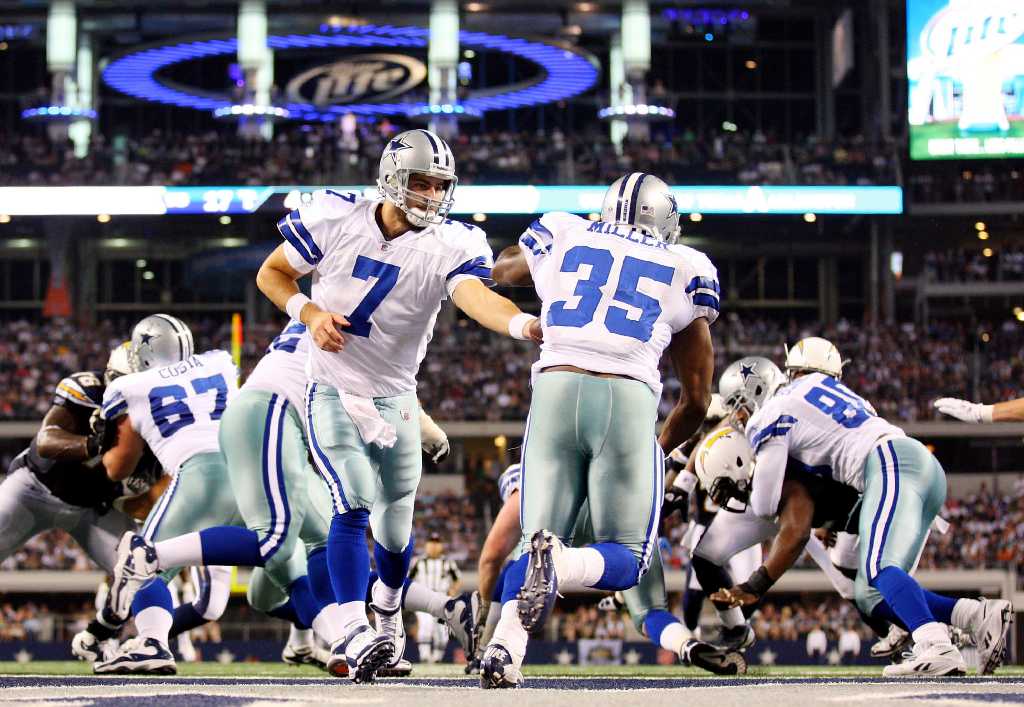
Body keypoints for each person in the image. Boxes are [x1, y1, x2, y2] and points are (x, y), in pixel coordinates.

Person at [255, 128, 542, 683]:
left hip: (398, 398)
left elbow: (473, 295)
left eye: (441, 185)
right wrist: (309, 314)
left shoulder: (453, 243)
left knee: (395, 528)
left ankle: (387, 612)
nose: (432, 195)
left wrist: (523, 323)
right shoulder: (337, 217)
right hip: (333, 388)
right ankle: (354, 632)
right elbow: (273, 272)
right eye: (421, 182)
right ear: (391, 177)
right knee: (351, 501)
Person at [481, 172, 718, 688]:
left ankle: (504, 648)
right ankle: (561, 566)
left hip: (554, 390)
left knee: (534, 542)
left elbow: (502, 269)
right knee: (627, 557)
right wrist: (655, 449)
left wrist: (543, 252)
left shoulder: (567, 231)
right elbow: (697, 397)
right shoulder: (685, 265)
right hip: (625, 396)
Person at [707, 337, 1013, 677]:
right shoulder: (845, 398)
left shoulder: (774, 411)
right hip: (905, 469)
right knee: (868, 592)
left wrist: (750, 475)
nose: (739, 415)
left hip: (891, 466)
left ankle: (935, 645)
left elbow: (765, 506)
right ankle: (974, 616)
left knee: (880, 566)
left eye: (739, 405)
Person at [471, 462, 745, 677]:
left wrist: (484, 607)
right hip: (624, 509)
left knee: (525, 565)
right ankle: (688, 646)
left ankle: (502, 648)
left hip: (567, 516)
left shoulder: (528, 484)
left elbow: (491, 557)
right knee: (650, 612)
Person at [91, 314, 239, 675]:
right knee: (297, 561)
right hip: (255, 473)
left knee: (142, 565)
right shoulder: (220, 360)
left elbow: (118, 467)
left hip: (202, 477)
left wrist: (100, 438)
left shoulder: (129, 386)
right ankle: (350, 632)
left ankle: (153, 642)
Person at [0, 343, 161, 662]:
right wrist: (94, 443)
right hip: (33, 488)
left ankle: (145, 642)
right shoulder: (87, 390)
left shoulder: (161, 427)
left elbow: (142, 501)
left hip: (93, 508)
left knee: (141, 570)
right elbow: (46, 440)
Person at [409, 532, 461, 663]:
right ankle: (425, 656)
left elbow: (457, 580)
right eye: (431, 542)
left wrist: (452, 592)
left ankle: (437, 658)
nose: (434, 545)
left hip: (441, 599)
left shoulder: (447, 562)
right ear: (426, 545)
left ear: (441, 545)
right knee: (425, 625)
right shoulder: (418, 562)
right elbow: (408, 580)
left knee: (442, 632)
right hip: (422, 598)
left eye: (437, 542)